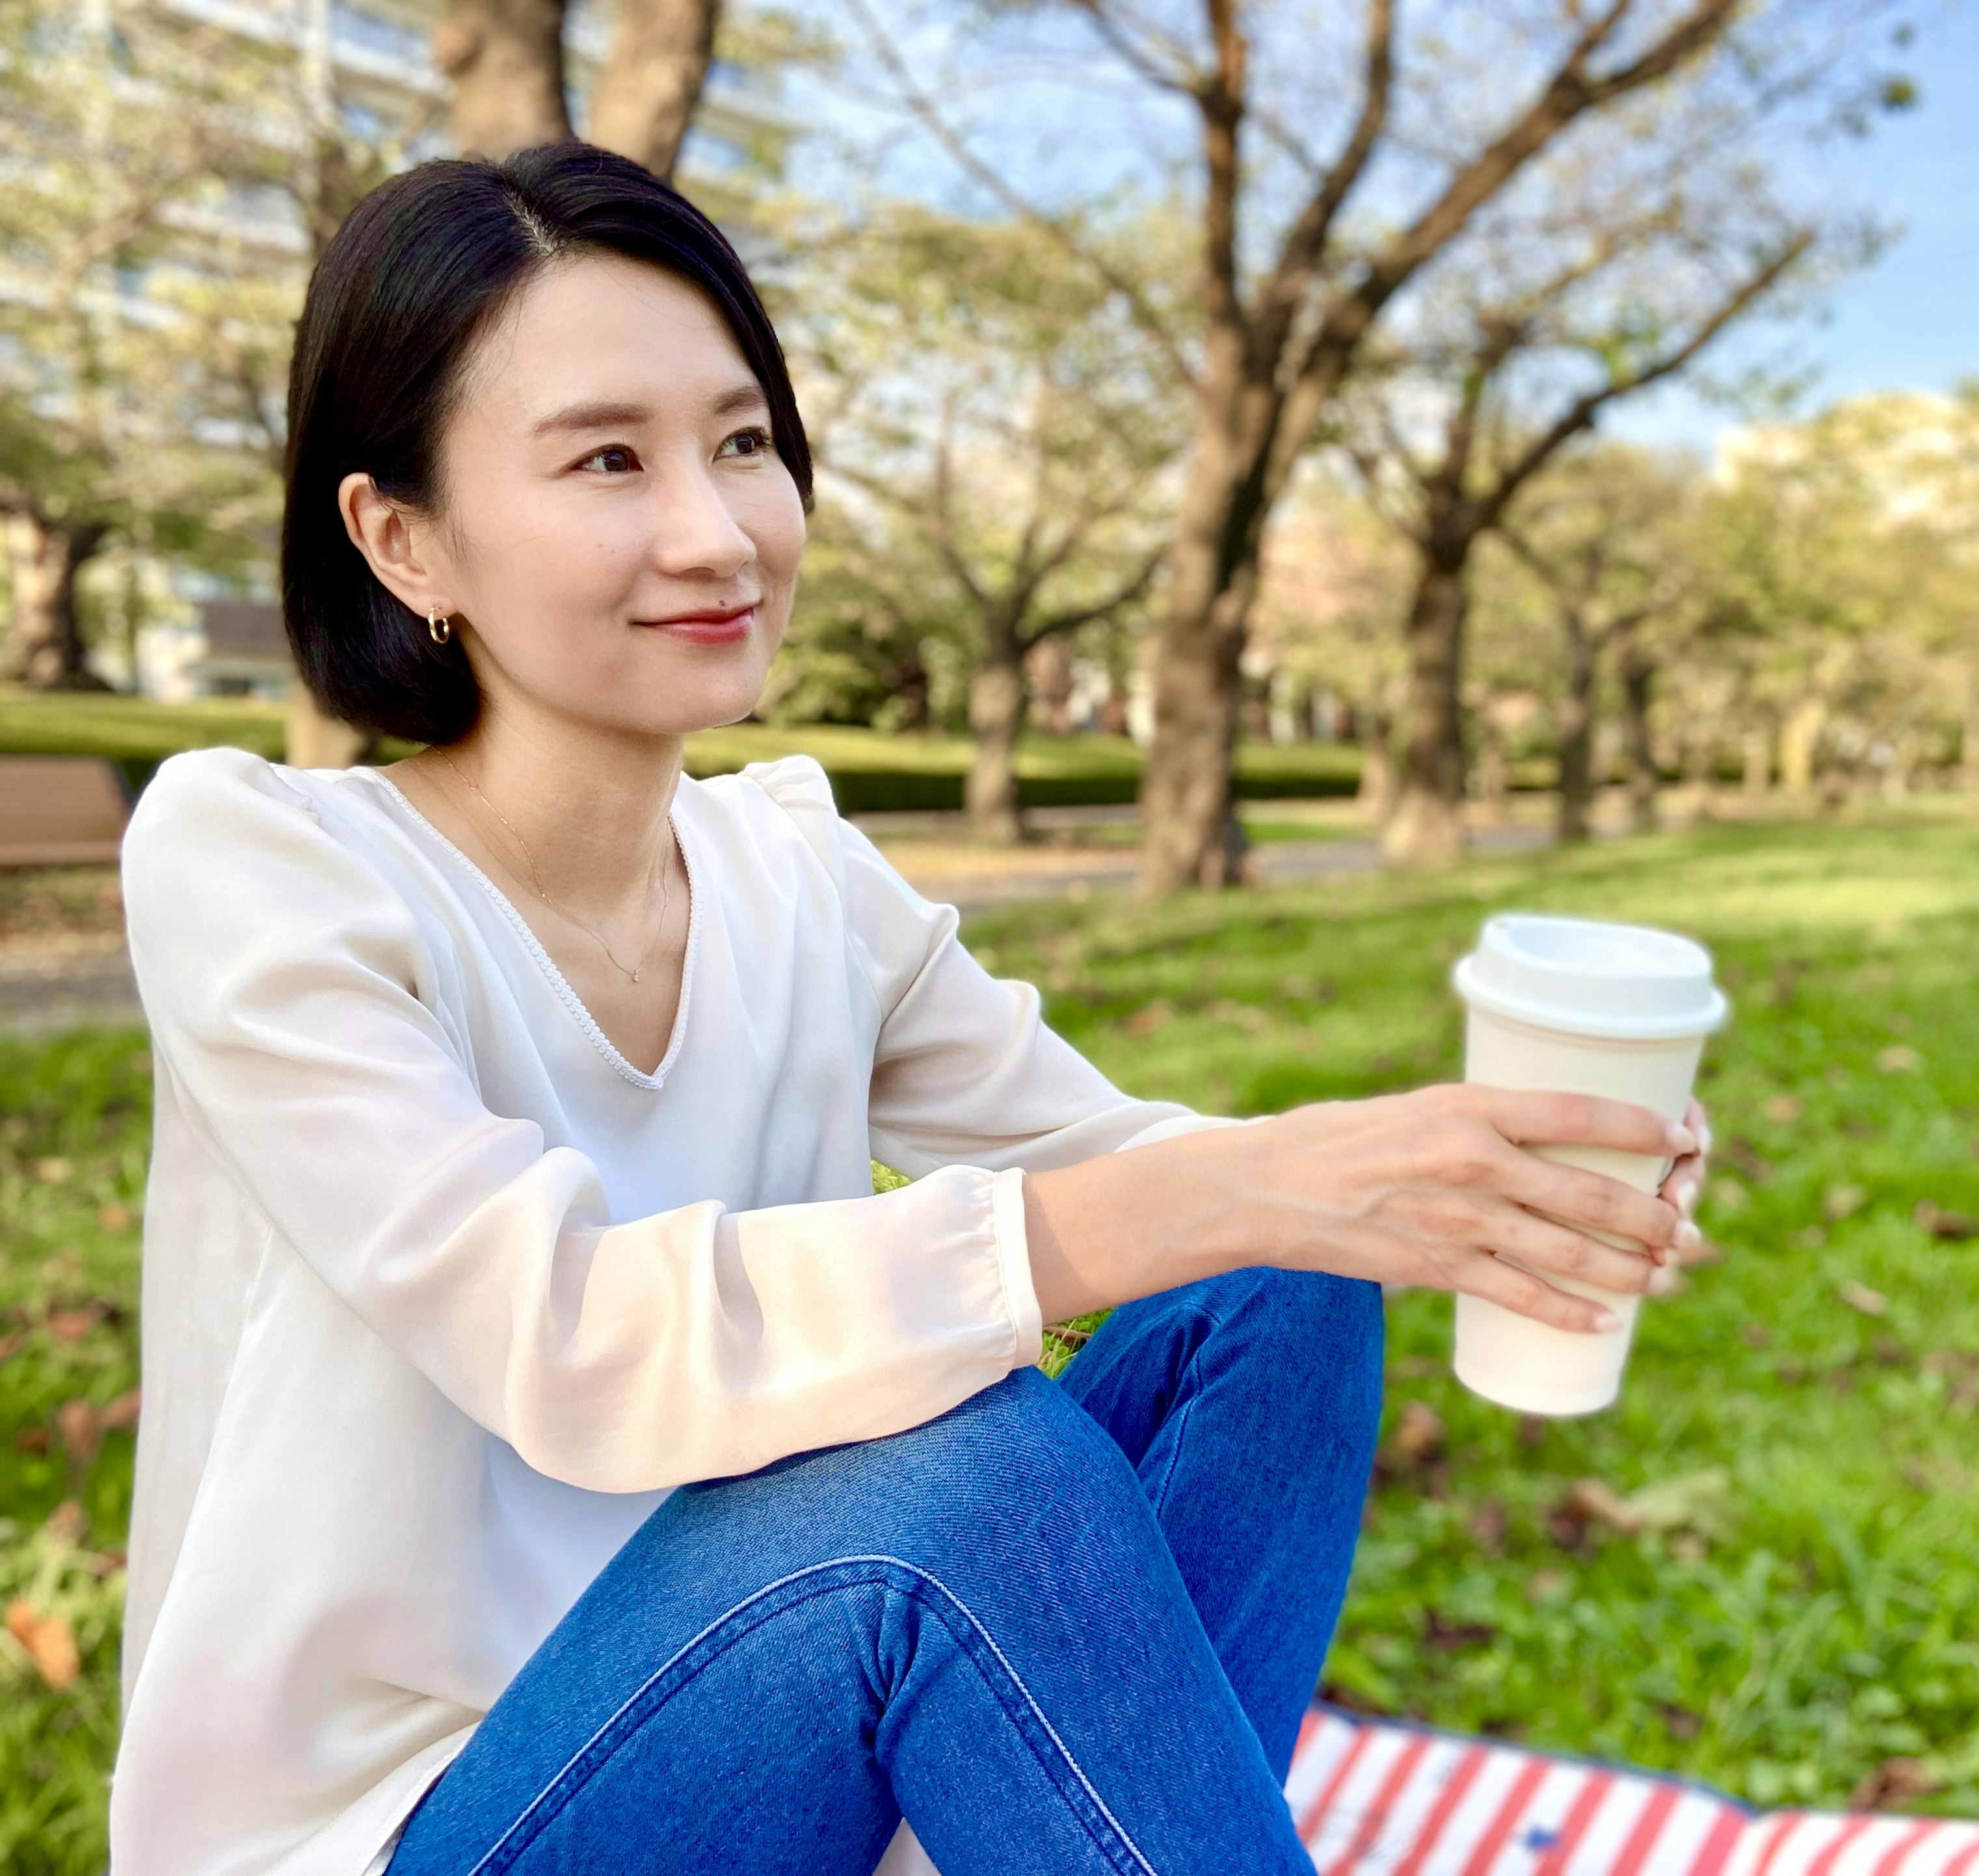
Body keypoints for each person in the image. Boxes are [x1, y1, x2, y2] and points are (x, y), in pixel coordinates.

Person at [113, 144, 1710, 1876]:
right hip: (420, 1827)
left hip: (766, 1724)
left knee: (1276, 1287)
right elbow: (562, 1332)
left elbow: (1153, 1174)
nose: (715, 531)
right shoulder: (265, 868)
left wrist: (1474, 1183)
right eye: (606, 460)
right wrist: (1219, 1189)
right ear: (401, 533)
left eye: (742, 444)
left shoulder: (800, 876)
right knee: (952, 1487)